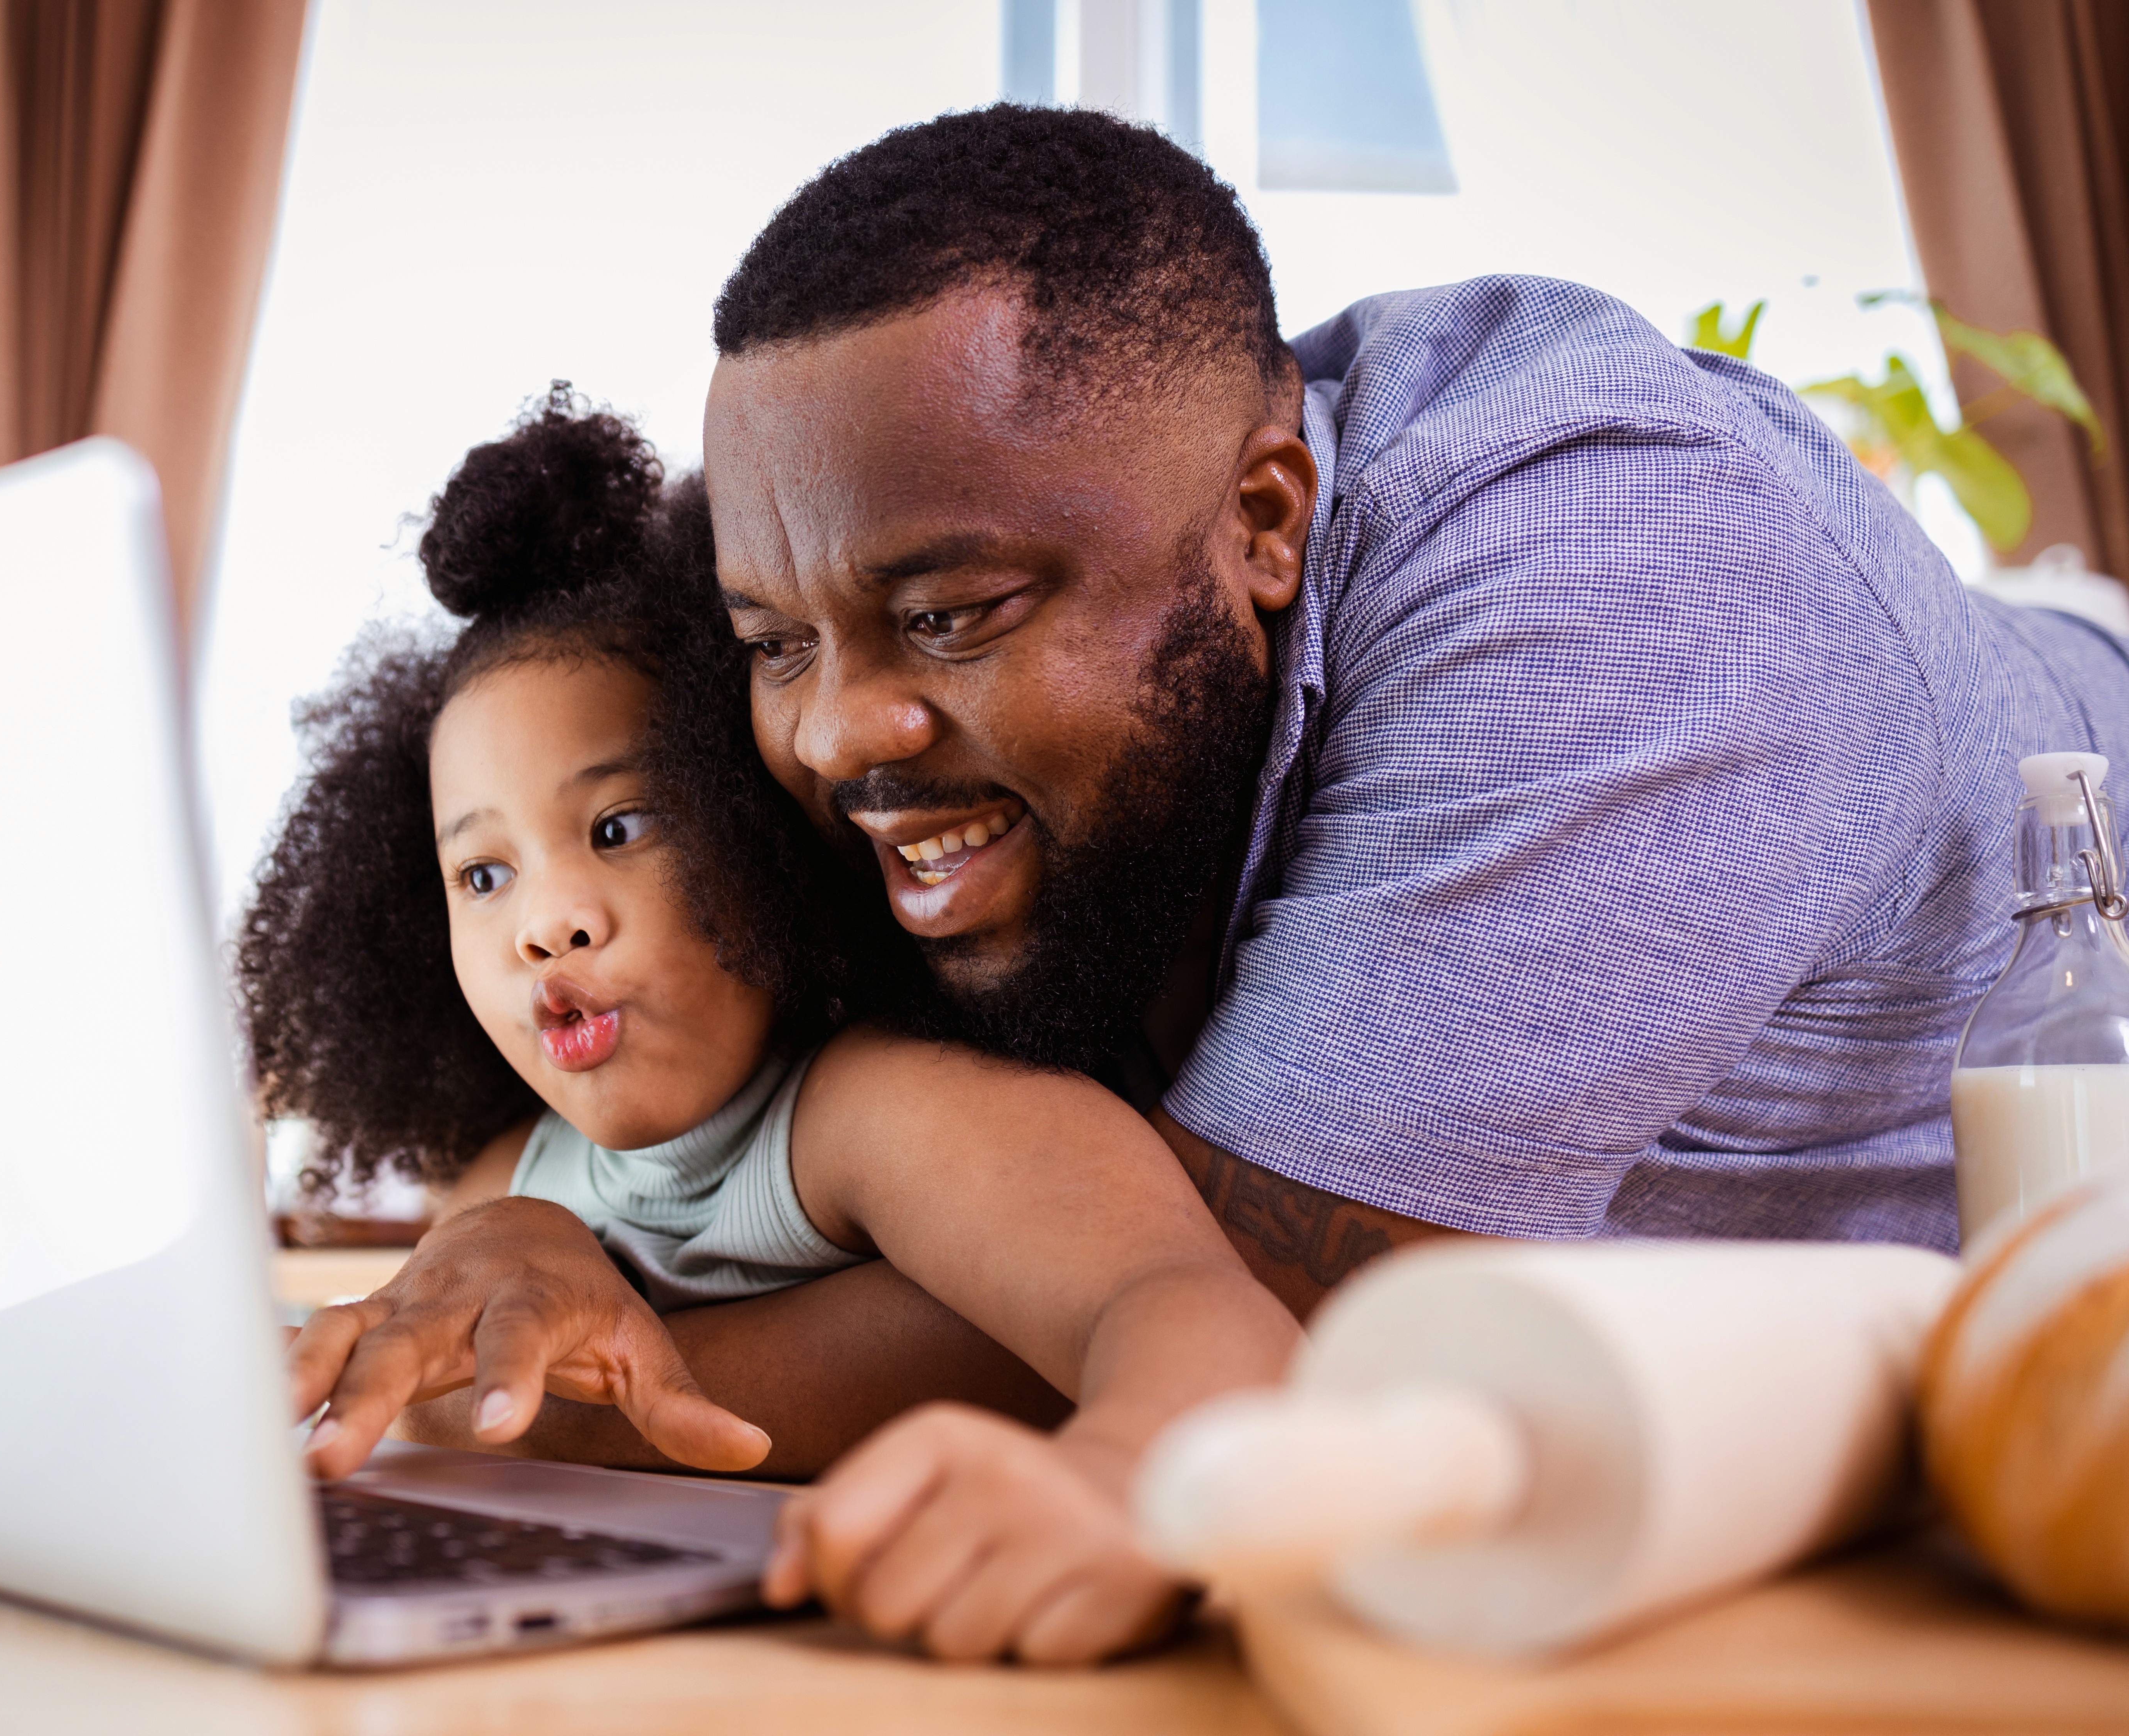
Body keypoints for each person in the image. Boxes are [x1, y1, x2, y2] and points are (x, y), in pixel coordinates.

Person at [403, 103, 2129, 1481]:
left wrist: (522, 1382)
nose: (840, 734)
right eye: (775, 641)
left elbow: (1237, 1304)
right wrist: (514, 1250)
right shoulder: (1087, 586)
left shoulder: (1616, 569)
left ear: (1268, 519)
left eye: (947, 616)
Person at [239, 390, 1299, 1662]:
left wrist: (1120, 1483)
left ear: (762, 823)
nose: (545, 925)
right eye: (483, 875)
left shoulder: (878, 1110)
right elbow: (442, 1398)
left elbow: (1200, 1306)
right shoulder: (504, 1182)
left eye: (618, 830)